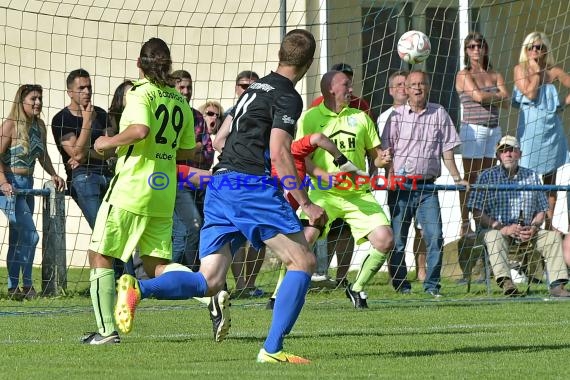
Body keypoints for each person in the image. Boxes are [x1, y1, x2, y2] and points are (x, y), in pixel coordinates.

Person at [113, 30, 325, 364]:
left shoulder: (254, 88)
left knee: (210, 281)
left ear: (279, 54)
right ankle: (272, 349)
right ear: (309, 63)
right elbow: (279, 151)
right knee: (303, 262)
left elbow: (219, 139)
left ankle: (138, 289)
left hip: (221, 183)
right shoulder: (287, 95)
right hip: (249, 187)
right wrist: (307, 203)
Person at [81, 37, 200, 344]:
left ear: (139, 63)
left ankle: (106, 332)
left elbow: (140, 130)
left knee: (99, 254)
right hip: (162, 191)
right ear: (169, 65)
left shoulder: (140, 92)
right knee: (154, 265)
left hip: (133, 186)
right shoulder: (179, 100)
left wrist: (106, 142)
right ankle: (206, 289)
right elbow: (188, 151)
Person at [297, 70, 394, 309]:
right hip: (323, 193)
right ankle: (278, 295)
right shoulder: (309, 118)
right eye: (346, 85)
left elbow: (377, 157)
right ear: (331, 88)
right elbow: (298, 157)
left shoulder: (361, 118)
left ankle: (357, 288)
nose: (351, 89)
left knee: (385, 240)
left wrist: (383, 159)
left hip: (357, 193)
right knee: (303, 240)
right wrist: (321, 175)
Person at [382, 70, 468, 297]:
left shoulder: (439, 113)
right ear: (406, 89)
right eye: (413, 85)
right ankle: (401, 286)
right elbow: (386, 152)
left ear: (427, 87)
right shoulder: (396, 116)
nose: (418, 88)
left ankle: (432, 286)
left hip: (428, 188)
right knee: (398, 240)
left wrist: (457, 177)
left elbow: (447, 150)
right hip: (400, 187)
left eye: (422, 84)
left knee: (435, 236)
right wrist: (388, 174)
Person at [51, 70, 133, 279]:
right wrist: (87, 121)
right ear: (70, 92)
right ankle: (116, 279)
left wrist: (86, 153)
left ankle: (130, 280)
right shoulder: (62, 118)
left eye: (89, 87)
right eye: (81, 88)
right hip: (83, 179)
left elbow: (112, 150)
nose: (87, 92)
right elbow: (75, 153)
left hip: (108, 176)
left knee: (120, 228)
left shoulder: (102, 114)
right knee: (103, 229)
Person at [468, 135, 570, 297]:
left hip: (527, 231)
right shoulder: (486, 177)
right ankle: (506, 282)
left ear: (520, 154)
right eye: (503, 151)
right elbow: (476, 212)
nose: (508, 154)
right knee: (493, 236)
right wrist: (503, 228)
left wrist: (534, 227)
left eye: (512, 150)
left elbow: (542, 209)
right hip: (497, 230)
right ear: (498, 155)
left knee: (552, 238)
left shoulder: (532, 177)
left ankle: (557, 287)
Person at [0, 84, 66, 300]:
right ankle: (27, 286)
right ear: (22, 101)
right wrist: (3, 182)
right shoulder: (10, 125)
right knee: (31, 235)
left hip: (27, 184)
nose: (38, 103)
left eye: (40, 98)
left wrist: (54, 173)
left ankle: (12, 289)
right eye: (33, 99)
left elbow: (42, 155)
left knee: (18, 238)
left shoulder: (39, 126)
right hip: (9, 186)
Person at [512, 31, 570, 230]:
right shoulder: (520, 69)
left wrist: (562, 104)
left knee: (550, 180)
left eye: (540, 47)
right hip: (529, 133)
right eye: (531, 47)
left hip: (551, 131)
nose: (535, 50)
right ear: (525, 50)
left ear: (546, 50)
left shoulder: (553, 71)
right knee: (527, 178)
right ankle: (527, 222)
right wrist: (536, 71)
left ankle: (548, 223)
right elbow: (530, 92)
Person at [456, 32, 510, 238]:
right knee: (470, 178)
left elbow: (506, 102)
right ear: (466, 51)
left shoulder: (495, 74)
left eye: (479, 45)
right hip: (473, 128)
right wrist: (496, 95)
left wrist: (491, 97)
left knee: (487, 178)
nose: (476, 49)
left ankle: (483, 220)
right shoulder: (463, 74)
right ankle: (464, 223)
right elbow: (478, 96)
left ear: (485, 48)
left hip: (493, 129)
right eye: (471, 46)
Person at [378, 70, 427, 282]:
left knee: (424, 231)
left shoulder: (426, 113)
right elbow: (380, 151)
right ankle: (397, 275)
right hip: (398, 184)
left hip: (423, 182)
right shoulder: (386, 118)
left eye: (403, 84)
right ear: (391, 90)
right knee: (399, 233)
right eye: (397, 85)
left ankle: (422, 272)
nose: (401, 88)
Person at [170, 69, 206, 268]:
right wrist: (193, 149)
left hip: (197, 181)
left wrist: (191, 150)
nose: (185, 91)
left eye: (189, 87)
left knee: (195, 228)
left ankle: (188, 274)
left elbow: (207, 151)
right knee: (188, 228)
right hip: (171, 179)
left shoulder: (197, 117)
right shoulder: (168, 113)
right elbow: (172, 151)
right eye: (181, 87)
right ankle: (174, 275)